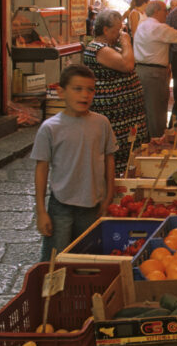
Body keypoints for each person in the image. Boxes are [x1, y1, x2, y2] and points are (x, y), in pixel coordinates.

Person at [32, 65, 118, 262]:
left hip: (92, 204)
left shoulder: (101, 123)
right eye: (77, 89)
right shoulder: (50, 128)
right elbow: (42, 168)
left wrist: (108, 195)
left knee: (87, 256)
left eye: (90, 90)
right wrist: (41, 211)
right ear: (61, 91)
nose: (85, 95)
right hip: (61, 204)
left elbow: (109, 158)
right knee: (56, 259)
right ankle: (52, 293)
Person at [84, 9, 148, 175]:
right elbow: (127, 65)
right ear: (105, 30)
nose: (120, 33)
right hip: (115, 118)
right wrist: (126, 41)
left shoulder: (109, 47)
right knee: (117, 154)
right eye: (117, 29)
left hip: (126, 118)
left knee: (130, 154)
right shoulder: (98, 48)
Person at [133, 0, 177, 138]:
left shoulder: (142, 24)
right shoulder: (158, 28)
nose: (167, 14)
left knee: (147, 110)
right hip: (154, 74)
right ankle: (156, 143)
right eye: (164, 10)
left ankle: (146, 141)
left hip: (141, 70)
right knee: (157, 111)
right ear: (156, 11)